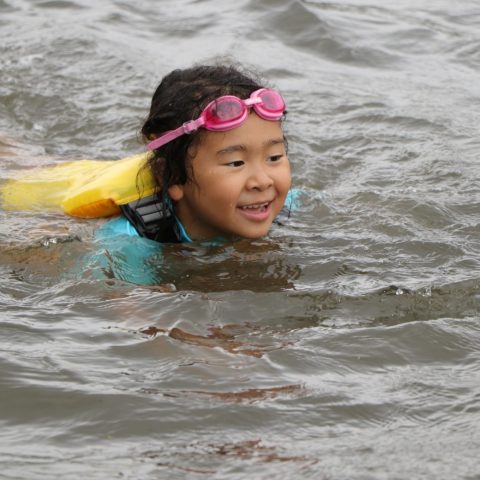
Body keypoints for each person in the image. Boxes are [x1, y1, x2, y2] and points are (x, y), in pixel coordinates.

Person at [103, 63, 293, 244]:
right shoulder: (126, 241)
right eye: (236, 163)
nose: (263, 182)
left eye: (274, 157)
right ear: (172, 176)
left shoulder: (288, 206)